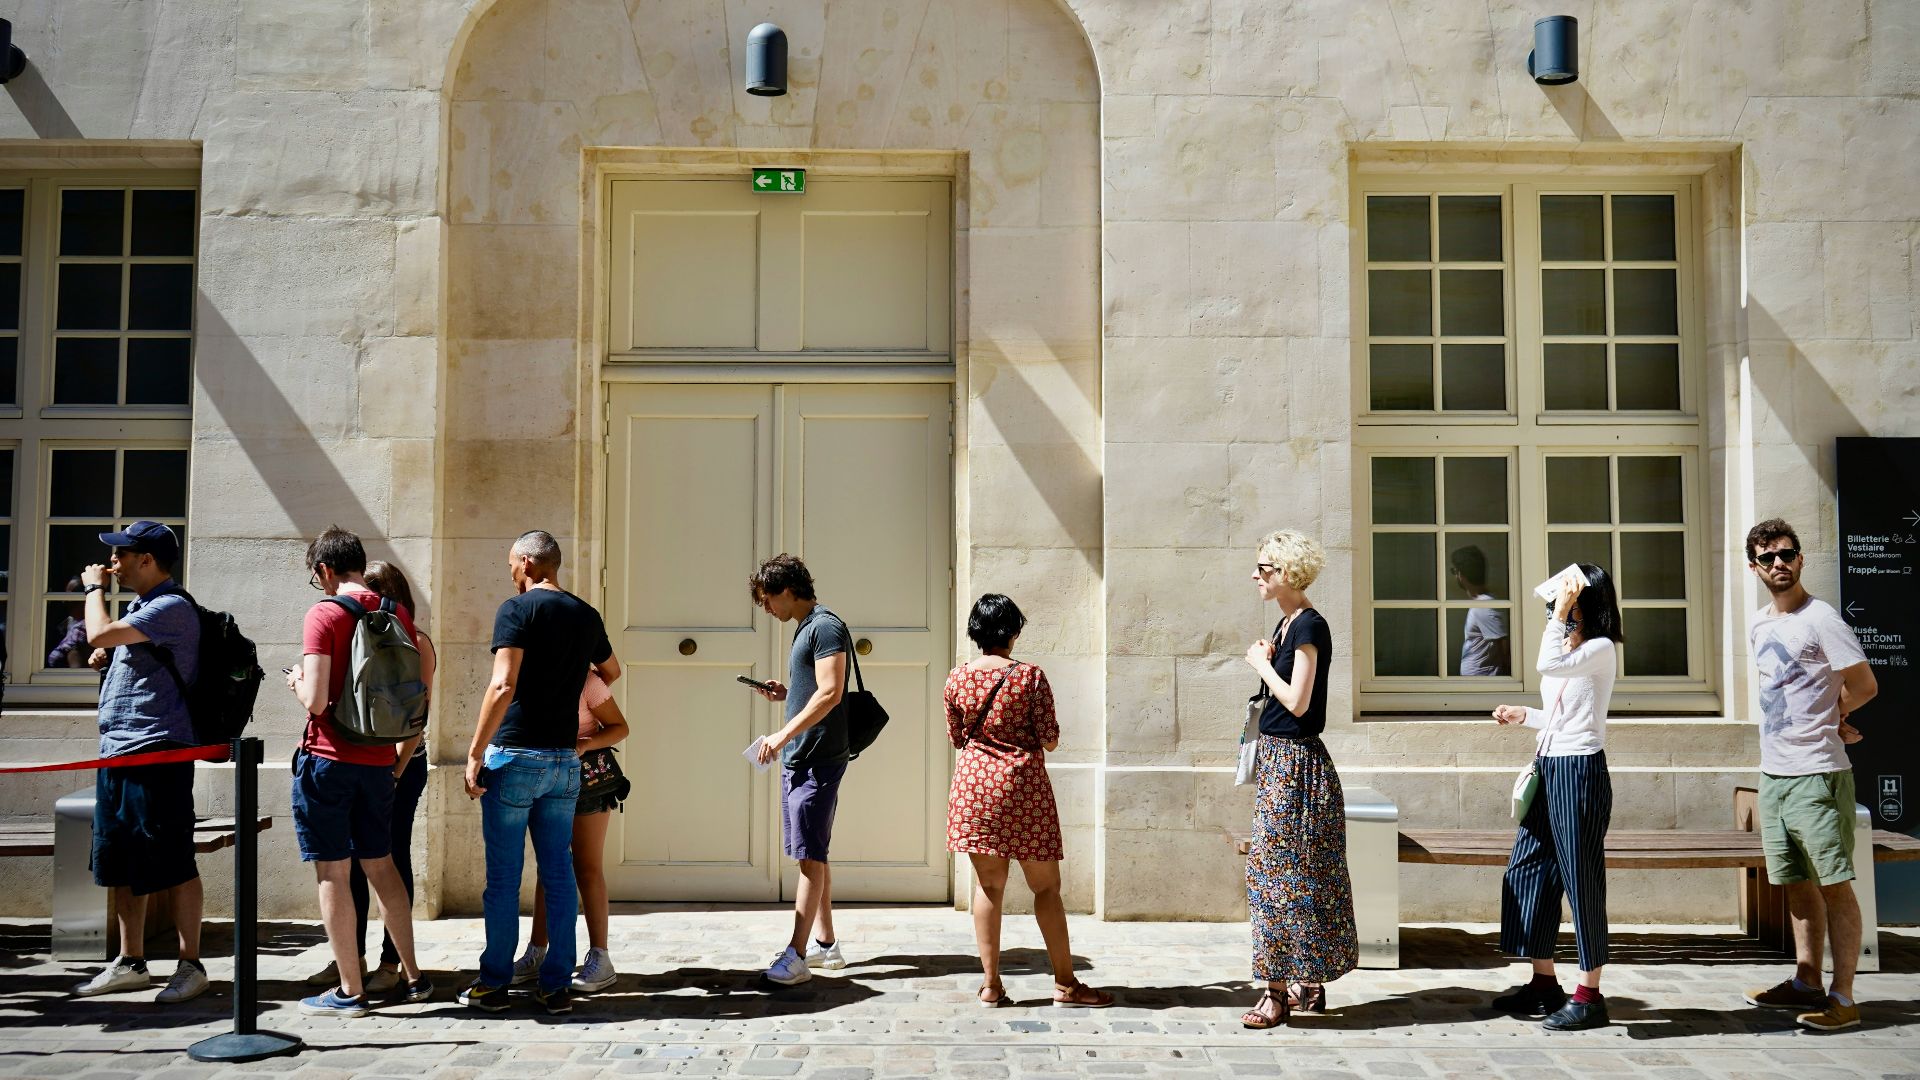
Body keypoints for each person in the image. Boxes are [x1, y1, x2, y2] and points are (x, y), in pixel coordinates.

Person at [460, 530, 616, 1016]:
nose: (510, 572)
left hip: (516, 754)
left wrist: (474, 751)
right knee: (559, 873)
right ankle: (555, 986)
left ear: (528, 562)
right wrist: (567, 685)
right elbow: (610, 671)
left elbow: (503, 683)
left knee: (504, 878)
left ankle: (494, 983)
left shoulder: (518, 609)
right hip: (564, 761)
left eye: (512, 564)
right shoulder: (586, 614)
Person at [1741, 518, 1877, 1032]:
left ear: (1800, 559)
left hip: (1818, 773)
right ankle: (1805, 980)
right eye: (1767, 556)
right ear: (1753, 566)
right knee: (1796, 884)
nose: (1778, 563)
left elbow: (1864, 684)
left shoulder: (1823, 620)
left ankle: (1843, 999)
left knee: (1835, 885)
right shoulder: (1759, 624)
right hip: (1774, 773)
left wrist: (1836, 717)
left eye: (1786, 554)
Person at [946, 594, 1113, 1008]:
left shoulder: (956, 677)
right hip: (1022, 790)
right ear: (1013, 632)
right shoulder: (1031, 677)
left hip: (974, 789)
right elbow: (1050, 739)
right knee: (1046, 889)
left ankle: (990, 984)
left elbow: (956, 739)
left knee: (988, 886)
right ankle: (1066, 984)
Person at [290, 527, 430, 1016]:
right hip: (378, 761)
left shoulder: (324, 612)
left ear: (325, 570)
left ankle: (350, 990)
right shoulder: (397, 614)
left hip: (329, 757)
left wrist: (296, 681)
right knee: (383, 866)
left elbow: (317, 699)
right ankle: (413, 978)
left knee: (332, 870)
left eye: (317, 577)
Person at [69, 522, 207, 1004]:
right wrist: (111, 662)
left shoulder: (171, 606)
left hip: (158, 749)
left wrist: (92, 589)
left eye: (122, 554)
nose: (114, 562)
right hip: (119, 750)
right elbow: (113, 646)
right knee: (122, 858)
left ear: (147, 560)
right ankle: (132, 961)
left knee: (172, 858)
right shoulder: (142, 609)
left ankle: (191, 965)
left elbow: (98, 633)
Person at [1489, 563, 1623, 1030]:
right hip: (1550, 766)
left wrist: (1560, 612)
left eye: (1562, 602)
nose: (1554, 610)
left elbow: (1547, 665)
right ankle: (1544, 982)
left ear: (1586, 604)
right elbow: (1562, 715)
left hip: (1580, 770)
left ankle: (1590, 994)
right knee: (1526, 868)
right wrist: (1525, 715)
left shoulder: (1602, 648)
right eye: (1552, 604)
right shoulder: (1571, 648)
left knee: (1582, 880)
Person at [1239, 530, 1357, 1029]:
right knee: (1296, 874)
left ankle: (1276, 993)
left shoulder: (1309, 626)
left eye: (1263, 568)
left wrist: (1261, 665)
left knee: (1275, 876)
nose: (1256, 575)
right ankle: (1307, 983)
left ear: (1286, 573)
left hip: (1296, 767)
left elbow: (1298, 702)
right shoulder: (1289, 624)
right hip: (1281, 763)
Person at [747, 554, 852, 986]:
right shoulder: (805, 629)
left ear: (787, 590)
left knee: (810, 854)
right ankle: (827, 946)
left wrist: (782, 734)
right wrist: (787, 695)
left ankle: (797, 953)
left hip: (818, 756)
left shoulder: (826, 626)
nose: (767, 609)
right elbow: (814, 691)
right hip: (803, 755)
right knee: (813, 852)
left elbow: (831, 692)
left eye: (768, 599)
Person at [519, 666, 630, 993]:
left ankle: (600, 958)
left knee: (587, 867)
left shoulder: (587, 680)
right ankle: (537, 952)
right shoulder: (526, 673)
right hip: (546, 778)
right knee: (548, 868)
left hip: (588, 781)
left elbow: (620, 727)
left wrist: (586, 743)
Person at [1450, 545, 1510, 677]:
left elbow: (1504, 649)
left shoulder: (1484, 607)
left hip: (1481, 685)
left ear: (1460, 574)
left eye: (1454, 571)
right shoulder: (1482, 604)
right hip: (1477, 684)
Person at [47, 577, 91, 668]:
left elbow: (76, 670)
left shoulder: (82, 629)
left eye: (70, 597)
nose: (65, 601)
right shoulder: (67, 623)